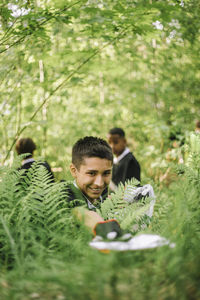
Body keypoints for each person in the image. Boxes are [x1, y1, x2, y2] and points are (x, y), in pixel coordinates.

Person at [66, 136, 113, 211]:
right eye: (91, 173)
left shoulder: (105, 195)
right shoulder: (65, 203)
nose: (99, 183)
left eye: (106, 173)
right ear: (74, 171)